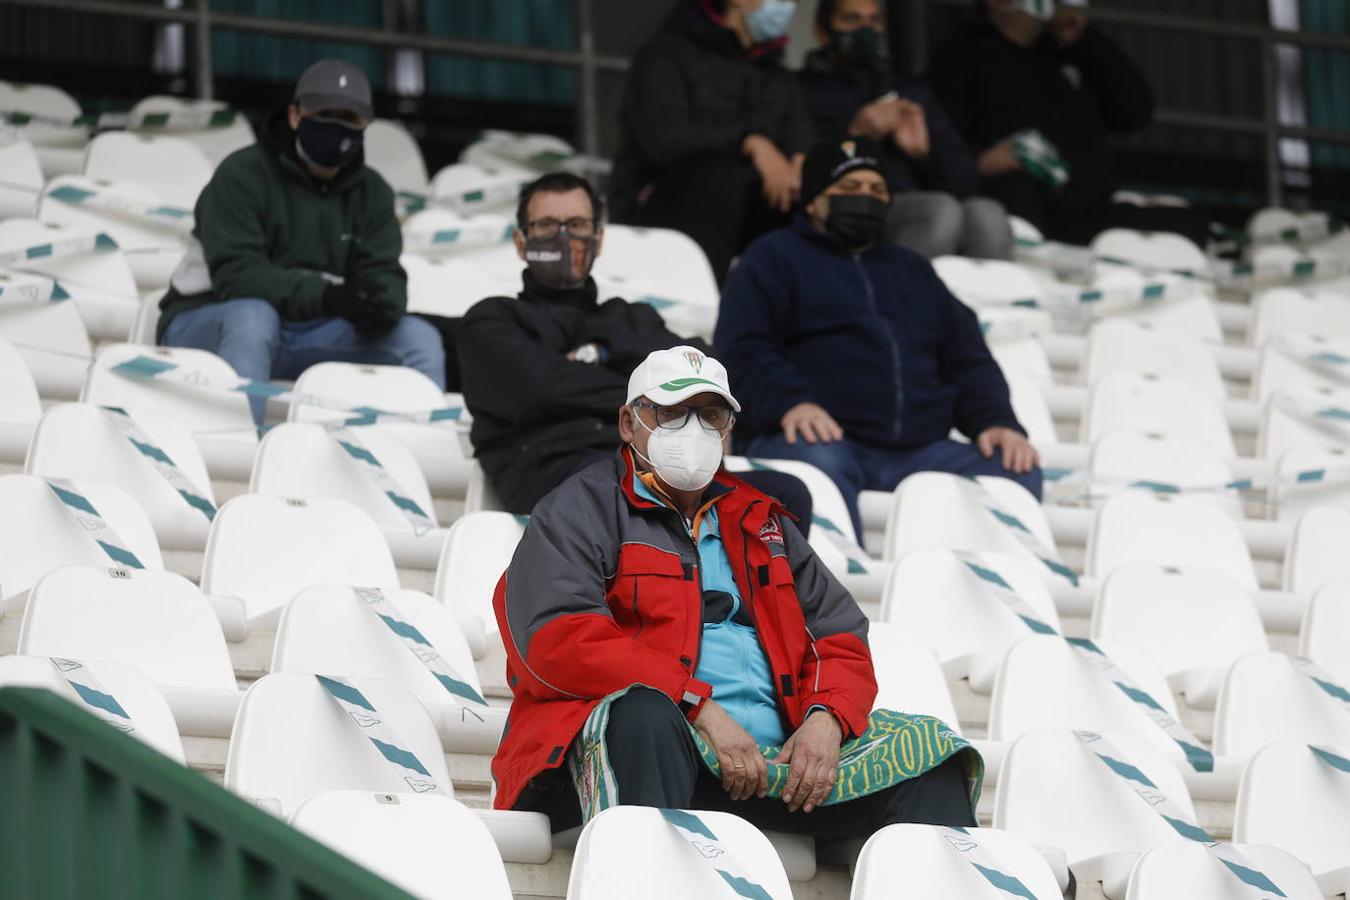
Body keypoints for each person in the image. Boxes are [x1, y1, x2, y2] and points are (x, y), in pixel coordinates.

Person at [492, 345, 981, 838]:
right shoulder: (580, 508)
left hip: (774, 765)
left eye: (710, 415)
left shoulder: (761, 519)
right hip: (653, 747)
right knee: (644, 713)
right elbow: (558, 639)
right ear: (628, 422)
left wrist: (826, 719)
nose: (694, 429)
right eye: (672, 412)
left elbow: (838, 635)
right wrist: (696, 706)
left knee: (931, 754)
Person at [715, 137, 1041, 537]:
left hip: (920, 449)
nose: (865, 199)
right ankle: (837, 593)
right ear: (814, 200)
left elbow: (968, 357)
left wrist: (996, 421)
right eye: (849, 190)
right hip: (817, 441)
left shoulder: (914, 270)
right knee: (818, 463)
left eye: (876, 190)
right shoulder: (771, 257)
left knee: (1014, 467)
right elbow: (742, 347)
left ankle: (977, 595)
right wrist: (791, 403)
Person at [456, 172, 812, 525]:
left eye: (577, 224)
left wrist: (604, 353)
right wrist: (649, 389)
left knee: (786, 496)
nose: (563, 237)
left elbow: (702, 372)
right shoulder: (491, 320)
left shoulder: (631, 319)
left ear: (598, 239)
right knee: (618, 489)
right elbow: (540, 389)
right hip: (564, 478)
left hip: (668, 470)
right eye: (547, 225)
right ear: (521, 242)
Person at [158, 58, 445, 422]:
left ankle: (417, 461)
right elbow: (237, 278)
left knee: (418, 339)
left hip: (308, 330)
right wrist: (329, 296)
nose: (337, 126)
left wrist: (382, 302)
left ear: (366, 125)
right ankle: (239, 453)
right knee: (253, 316)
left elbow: (385, 272)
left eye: (350, 118)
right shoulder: (242, 174)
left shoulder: (373, 192)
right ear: (295, 115)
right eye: (325, 113)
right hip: (206, 320)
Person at [926, 0, 1209, 247]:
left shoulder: (1067, 52)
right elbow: (936, 143)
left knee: (1188, 225)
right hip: (1020, 207)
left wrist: (1085, 39)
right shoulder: (960, 57)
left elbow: (1134, 113)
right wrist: (980, 161)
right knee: (1014, 194)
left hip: (1087, 209)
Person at [608, 0, 815, 283]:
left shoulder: (779, 79)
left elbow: (801, 141)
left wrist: (802, 166)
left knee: (816, 201)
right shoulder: (665, 55)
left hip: (745, 210)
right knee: (719, 178)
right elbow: (665, 140)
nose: (785, 6)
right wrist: (750, 143)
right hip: (655, 203)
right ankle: (704, 312)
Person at [799, 0, 1011, 260]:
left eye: (874, 21)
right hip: (857, 215)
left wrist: (925, 155)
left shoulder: (911, 91)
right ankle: (900, 297)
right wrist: (855, 137)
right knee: (939, 210)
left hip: (923, 206)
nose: (866, 30)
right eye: (852, 20)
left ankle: (990, 300)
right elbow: (802, 182)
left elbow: (967, 183)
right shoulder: (801, 91)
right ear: (822, 31)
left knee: (986, 213)